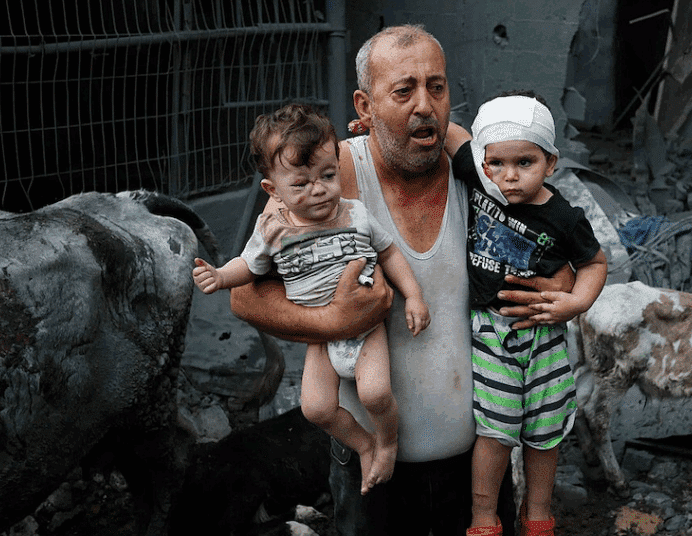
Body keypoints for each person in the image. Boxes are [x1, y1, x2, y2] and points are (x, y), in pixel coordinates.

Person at [229, 25, 573, 536]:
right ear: (363, 106)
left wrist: (562, 285)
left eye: (437, 87)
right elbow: (245, 294)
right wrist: (328, 320)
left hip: (478, 464)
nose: (424, 105)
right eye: (404, 90)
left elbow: (562, 245)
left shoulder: (484, 176)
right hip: (372, 470)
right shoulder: (331, 175)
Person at [192, 104, 429, 495]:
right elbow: (248, 268)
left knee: (375, 393)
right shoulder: (274, 228)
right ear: (273, 190)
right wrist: (219, 276)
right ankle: (363, 443)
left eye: (328, 175)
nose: (318, 189)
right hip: (320, 332)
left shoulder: (355, 213)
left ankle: (387, 442)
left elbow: (388, 253)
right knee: (315, 409)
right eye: (300, 184)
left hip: (368, 325)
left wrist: (415, 295)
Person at [452, 92, 608, 536]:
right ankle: (484, 517)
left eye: (525, 163)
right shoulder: (480, 179)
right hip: (490, 332)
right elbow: (450, 134)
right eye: (496, 162)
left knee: (547, 429)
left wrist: (576, 302)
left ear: (551, 163)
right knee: (497, 431)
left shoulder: (563, 216)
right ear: (482, 160)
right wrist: (374, 128)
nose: (509, 176)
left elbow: (595, 263)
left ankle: (537, 514)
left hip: (544, 337)